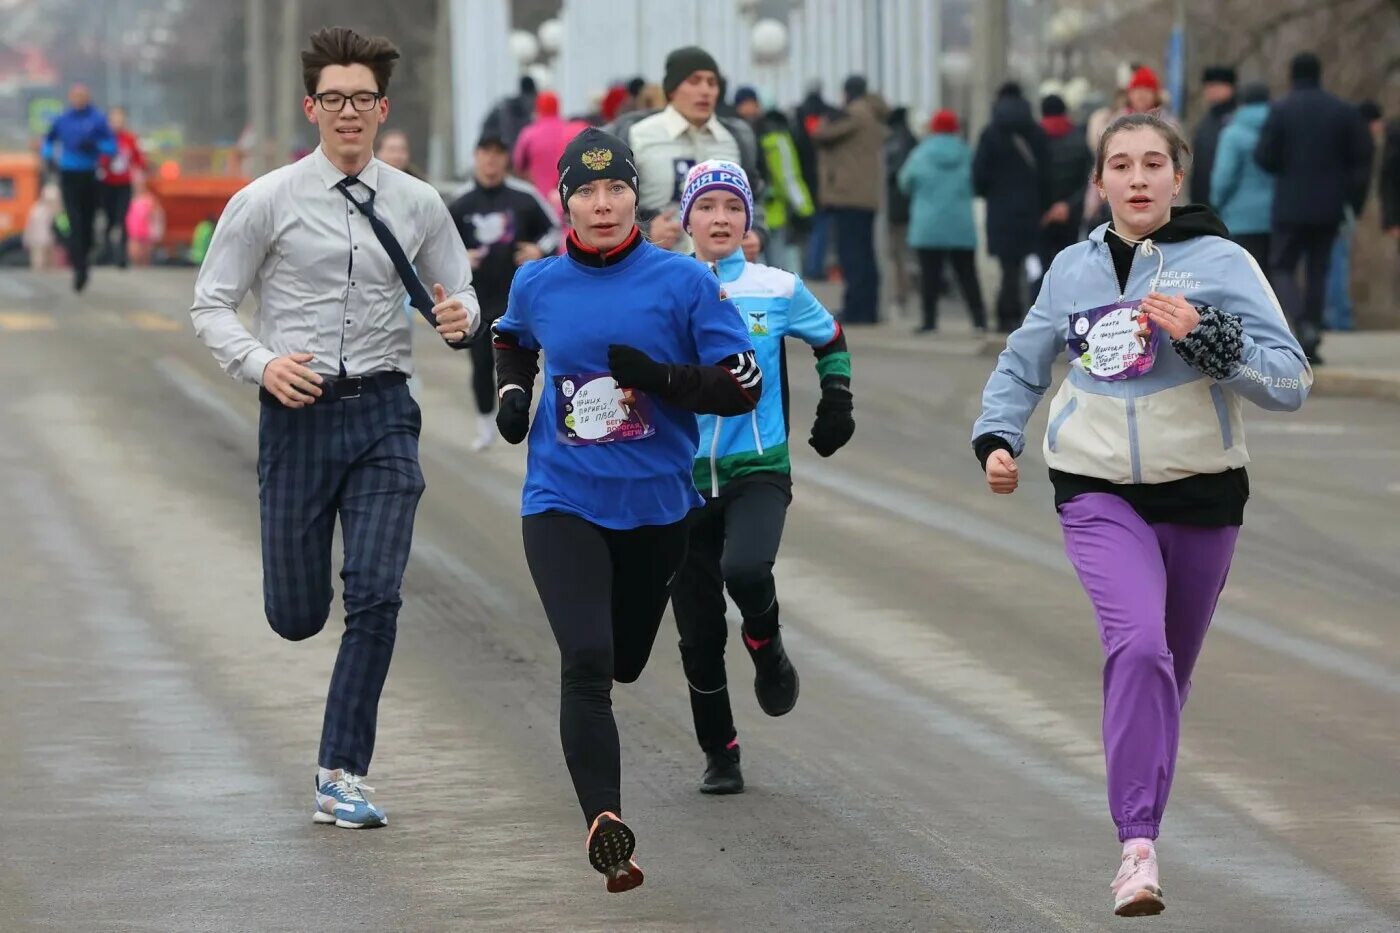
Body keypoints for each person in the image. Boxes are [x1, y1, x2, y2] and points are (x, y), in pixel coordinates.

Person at [972, 112, 1310, 918]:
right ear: (1099, 182)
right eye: (1119, 164)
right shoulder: (1072, 269)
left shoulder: (1223, 263)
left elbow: (1290, 381)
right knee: (1139, 647)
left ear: (1176, 176)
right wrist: (995, 435)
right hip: (1096, 490)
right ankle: (1137, 846)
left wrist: (1209, 338)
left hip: (1201, 497)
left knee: (1168, 675)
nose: (1136, 178)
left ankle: (1140, 822)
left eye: (1152, 163)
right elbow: (1023, 361)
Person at [189, 27, 478, 831]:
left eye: (363, 101)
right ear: (311, 107)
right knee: (297, 614)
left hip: (386, 410)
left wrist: (463, 313)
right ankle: (297, 605)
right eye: (334, 100)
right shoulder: (265, 200)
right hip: (299, 413)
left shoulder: (418, 202)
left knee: (377, 595)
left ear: (382, 109)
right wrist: (261, 364)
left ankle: (341, 771)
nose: (349, 114)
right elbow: (211, 304)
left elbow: (463, 290)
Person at [491, 128, 760, 892]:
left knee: (628, 657)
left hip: (656, 510)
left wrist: (664, 378)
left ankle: (623, 667)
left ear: (633, 196)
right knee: (586, 663)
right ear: (564, 200)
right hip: (561, 500)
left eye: (615, 191)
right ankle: (606, 824)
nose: (602, 205)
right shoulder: (537, 283)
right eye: (586, 192)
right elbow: (512, 340)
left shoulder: (681, 283)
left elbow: (743, 384)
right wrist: (514, 394)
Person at [669, 159, 853, 794]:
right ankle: (720, 753)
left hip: (758, 467)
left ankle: (765, 642)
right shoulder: (664, 284)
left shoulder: (776, 287)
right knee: (696, 630)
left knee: (744, 570)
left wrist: (838, 401)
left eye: (732, 207)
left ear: (747, 220)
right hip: (680, 478)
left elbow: (830, 337)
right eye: (707, 207)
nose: (720, 218)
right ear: (686, 217)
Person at [1254, 52, 1371, 364]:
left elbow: (1264, 156)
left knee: (1282, 266)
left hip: (1290, 204)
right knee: (1319, 269)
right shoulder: (1343, 112)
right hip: (1329, 206)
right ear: (1320, 74)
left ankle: (1302, 324)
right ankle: (1313, 330)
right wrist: (1352, 204)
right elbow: (1361, 160)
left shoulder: (1280, 110)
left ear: (1292, 75)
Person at [447, 133, 561, 450]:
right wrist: (459, 258)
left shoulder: (524, 196)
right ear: (476, 156)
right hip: (478, 299)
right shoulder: (460, 201)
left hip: (521, 300)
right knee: (482, 364)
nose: (491, 160)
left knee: (528, 361)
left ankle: (530, 417)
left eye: (498, 153)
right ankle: (485, 424)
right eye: (485, 153)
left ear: (506, 159)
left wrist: (538, 249)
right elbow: (440, 245)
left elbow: (555, 228)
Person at [608, 46, 767, 259]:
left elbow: (754, 197)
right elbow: (614, 202)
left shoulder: (736, 138)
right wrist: (644, 231)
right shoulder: (636, 135)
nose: (705, 90)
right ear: (672, 89)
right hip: (658, 268)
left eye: (712, 83)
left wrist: (757, 233)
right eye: (694, 81)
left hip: (723, 273)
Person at [899, 109, 986, 333]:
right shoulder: (967, 153)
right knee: (967, 273)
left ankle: (929, 321)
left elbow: (904, 182)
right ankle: (979, 320)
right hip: (960, 223)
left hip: (927, 224)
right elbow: (977, 183)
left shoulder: (920, 153)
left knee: (929, 275)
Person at [812, 74, 890, 324]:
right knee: (865, 255)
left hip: (849, 195)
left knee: (852, 255)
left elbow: (821, 135)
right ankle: (868, 308)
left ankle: (856, 310)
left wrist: (825, 117)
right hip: (864, 195)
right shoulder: (870, 113)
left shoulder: (855, 114)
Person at [974, 82, 1051, 332]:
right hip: (1030, 208)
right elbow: (1047, 172)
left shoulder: (990, 134)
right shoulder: (1036, 132)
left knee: (1008, 265)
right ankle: (1028, 313)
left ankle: (1006, 314)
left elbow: (978, 176)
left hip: (1000, 209)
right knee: (1032, 263)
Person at [41, 84, 115, 291]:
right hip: (69, 174)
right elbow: (48, 141)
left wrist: (95, 145)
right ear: (70, 98)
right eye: (76, 96)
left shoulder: (98, 120)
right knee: (75, 221)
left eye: (82, 96)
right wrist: (48, 158)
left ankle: (87, 255)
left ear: (88, 98)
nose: (79, 100)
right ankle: (79, 267)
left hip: (90, 174)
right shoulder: (63, 120)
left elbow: (111, 146)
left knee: (88, 222)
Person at [1324, 100, 1382, 332]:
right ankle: (1340, 318)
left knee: (1330, 263)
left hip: (1327, 206)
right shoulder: (1361, 141)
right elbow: (1360, 181)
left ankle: (1331, 315)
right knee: (1339, 261)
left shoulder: (1338, 138)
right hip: (1341, 208)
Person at [1211, 83, 1276, 275]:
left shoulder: (1232, 134)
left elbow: (1223, 178)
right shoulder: (1282, 130)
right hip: (1277, 217)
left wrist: (1216, 203)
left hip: (1241, 219)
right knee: (1273, 281)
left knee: (1245, 277)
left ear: (1241, 103)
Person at [1039, 94, 1092, 289]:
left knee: (1042, 271)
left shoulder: (1035, 140)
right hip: (1071, 215)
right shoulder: (1079, 139)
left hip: (1041, 217)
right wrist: (1068, 206)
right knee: (1069, 267)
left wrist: (1044, 209)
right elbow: (1089, 179)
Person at [512, 91, 587, 219]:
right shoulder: (570, 130)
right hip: (567, 198)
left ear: (537, 108)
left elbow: (518, 165)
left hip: (540, 201)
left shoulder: (528, 134)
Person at [97, 106, 146, 268]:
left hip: (123, 184)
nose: (117, 123)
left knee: (122, 218)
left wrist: (140, 176)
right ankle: (106, 252)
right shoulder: (104, 139)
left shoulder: (129, 139)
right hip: (106, 184)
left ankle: (122, 256)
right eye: (114, 120)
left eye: (120, 120)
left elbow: (138, 160)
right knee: (109, 219)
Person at [883, 106, 919, 318]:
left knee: (894, 253)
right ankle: (904, 292)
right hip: (908, 204)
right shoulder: (912, 139)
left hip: (891, 203)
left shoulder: (890, 140)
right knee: (903, 253)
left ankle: (898, 294)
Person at [1189, 66, 1237, 209]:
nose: (1210, 90)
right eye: (1208, 86)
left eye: (1215, 85)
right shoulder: (1206, 121)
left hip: (1228, 204)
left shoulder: (1237, 119)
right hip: (1203, 201)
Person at [481, 76, 538, 151]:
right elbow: (510, 132)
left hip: (499, 142)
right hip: (504, 145)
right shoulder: (524, 105)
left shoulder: (507, 104)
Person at [23, 181, 64, 271]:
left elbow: (64, 228)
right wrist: (26, 239)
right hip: (38, 242)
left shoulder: (59, 212)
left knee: (52, 264)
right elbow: (30, 226)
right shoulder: (36, 209)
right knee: (39, 263)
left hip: (53, 242)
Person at [125, 173, 164, 267]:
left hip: (146, 228)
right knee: (134, 253)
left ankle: (145, 266)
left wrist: (157, 228)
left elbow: (157, 214)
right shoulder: (129, 198)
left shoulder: (150, 199)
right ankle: (136, 265)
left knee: (145, 254)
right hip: (133, 229)